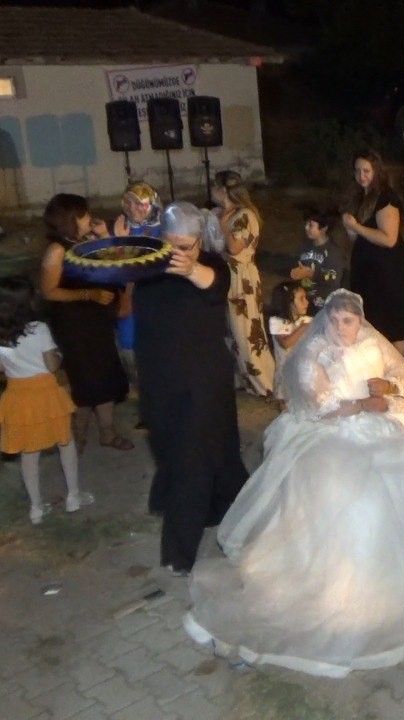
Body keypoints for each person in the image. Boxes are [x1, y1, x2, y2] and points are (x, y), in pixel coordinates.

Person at [184, 290, 404, 677]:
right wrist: (360, 405)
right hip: (334, 431)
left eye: (349, 321)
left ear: (360, 320)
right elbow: (318, 406)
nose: (342, 328)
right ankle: (345, 586)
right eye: (335, 320)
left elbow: (402, 381)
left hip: (382, 422)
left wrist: (387, 393)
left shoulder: (373, 343)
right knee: (351, 493)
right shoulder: (315, 351)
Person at [134, 202, 250, 575]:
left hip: (202, 383)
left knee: (193, 462)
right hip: (159, 379)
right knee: (199, 451)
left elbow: (213, 283)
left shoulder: (212, 265)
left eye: (185, 246)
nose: (177, 253)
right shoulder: (150, 265)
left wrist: (191, 268)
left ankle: (179, 553)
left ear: (200, 241)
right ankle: (224, 510)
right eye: (170, 244)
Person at [0, 277, 89, 525]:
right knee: (65, 442)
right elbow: (51, 365)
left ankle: (36, 508)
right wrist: (59, 355)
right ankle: (73, 496)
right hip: (46, 392)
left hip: (18, 394)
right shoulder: (39, 329)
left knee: (29, 452)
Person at [39, 193, 133, 452]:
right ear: (72, 219)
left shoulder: (83, 242)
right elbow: (48, 291)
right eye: (85, 215)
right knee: (85, 381)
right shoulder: (57, 250)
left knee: (106, 375)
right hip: (74, 325)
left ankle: (107, 433)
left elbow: (116, 265)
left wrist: (105, 238)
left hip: (97, 321)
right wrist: (88, 294)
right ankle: (75, 437)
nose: (90, 218)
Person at [342, 149, 404, 360]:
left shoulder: (386, 198)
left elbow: (389, 239)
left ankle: (403, 377)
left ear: (376, 171)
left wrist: (356, 227)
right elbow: (360, 238)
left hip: (390, 274)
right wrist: (351, 231)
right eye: (357, 170)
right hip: (368, 274)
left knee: (395, 329)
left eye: (366, 170)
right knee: (374, 327)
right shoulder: (361, 197)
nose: (361, 176)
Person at [212, 171, 275, 397]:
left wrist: (222, 224)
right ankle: (242, 378)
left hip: (241, 279)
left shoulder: (244, 215)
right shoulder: (220, 213)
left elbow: (234, 248)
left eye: (214, 187)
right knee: (230, 330)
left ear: (223, 190)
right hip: (225, 276)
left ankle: (265, 383)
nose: (211, 191)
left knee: (246, 332)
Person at [110, 182, 163, 398]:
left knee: (156, 339)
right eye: (129, 202)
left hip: (155, 295)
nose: (133, 208)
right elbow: (115, 266)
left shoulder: (163, 228)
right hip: (129, 296)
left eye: (139, 203)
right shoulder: (121, 226)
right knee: (128, 339)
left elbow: (148, 264)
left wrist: (122, 242)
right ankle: (140, 388)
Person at [289, 208, 344, 313]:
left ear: (323, 229)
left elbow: (333, 278)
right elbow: (297, 266)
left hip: (323, 304)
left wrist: (311, 274)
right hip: (305, 301)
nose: (306, 227)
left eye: (310, 225)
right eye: (306, 224)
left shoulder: (333, 252)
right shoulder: (304, 246)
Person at [266, 279, 312, 369]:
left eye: (306, 298)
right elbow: (285, 343)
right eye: (301, 299)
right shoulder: (277, 322)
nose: (307, 302)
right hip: (286, 371)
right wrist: (303, 328)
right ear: (288, 302)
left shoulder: (306, 320)